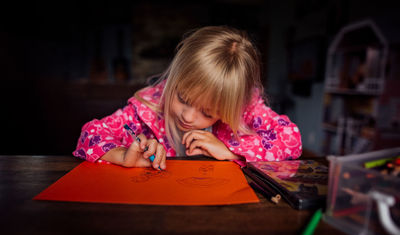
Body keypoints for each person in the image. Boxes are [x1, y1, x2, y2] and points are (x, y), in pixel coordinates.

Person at [73, 26, 302, 170]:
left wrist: (230, 150)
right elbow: (90, 135)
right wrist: (123, 155)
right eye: (183, 98)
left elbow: (291, 139)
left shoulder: (245, 107)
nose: (188, 116)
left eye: (208, 113)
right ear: (174, 77)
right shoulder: (148, 107)